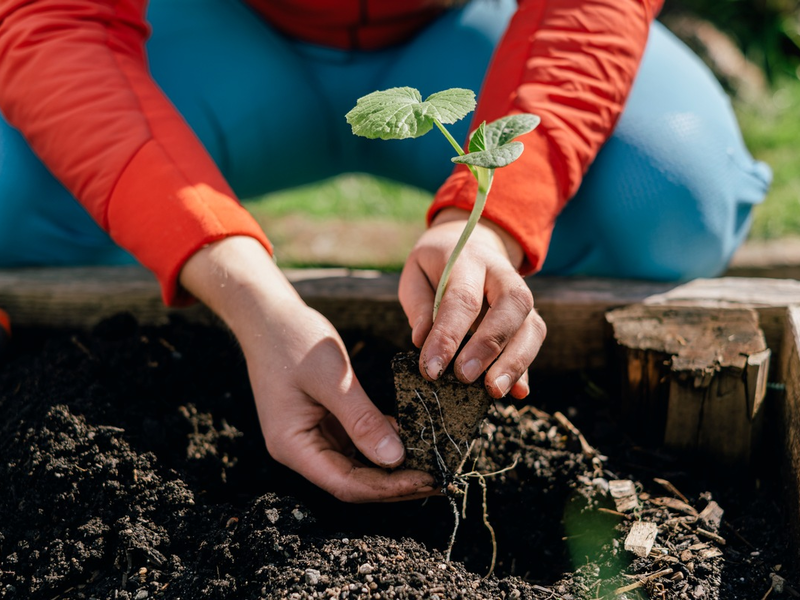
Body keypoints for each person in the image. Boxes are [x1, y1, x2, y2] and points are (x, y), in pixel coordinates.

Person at [0, 0, 771, 502]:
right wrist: (244, 290)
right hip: (216, 38)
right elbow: (52, 21)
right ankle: (118, 345)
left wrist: (489, 217)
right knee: (13, 193)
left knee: (674, 200)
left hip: (465, 38)